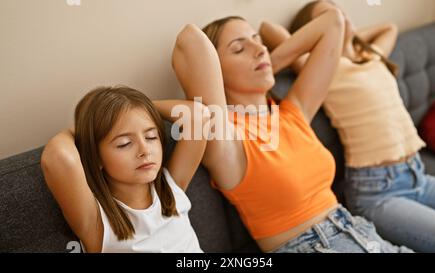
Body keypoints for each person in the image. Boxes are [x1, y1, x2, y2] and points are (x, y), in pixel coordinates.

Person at [172, 10, 411, 252]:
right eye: (238, 49)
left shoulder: (292, 111)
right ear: (216, 70)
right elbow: (189, 41)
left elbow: (333, 22)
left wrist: (268, 62)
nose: (259, 49)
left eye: (258, 41)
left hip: (360, 232)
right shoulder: (226, 138)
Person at [261, 0, 435, 252]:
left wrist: (351, 43)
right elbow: (267, 29)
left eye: (339, 11)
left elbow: (389, 27)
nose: (339, 17)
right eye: (328, 17)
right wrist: (327, 41)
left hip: (418, 175)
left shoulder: (370, 56)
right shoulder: (319, 67)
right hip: (379, 192)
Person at [40, 86, 211, 252]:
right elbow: (58, 158)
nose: (144, 150)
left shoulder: (172, 186)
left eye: (151, 137)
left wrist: (134, 107)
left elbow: (199, 116)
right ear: (96, 157)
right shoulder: (97, 224)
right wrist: (89, 127)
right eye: (124, 144)